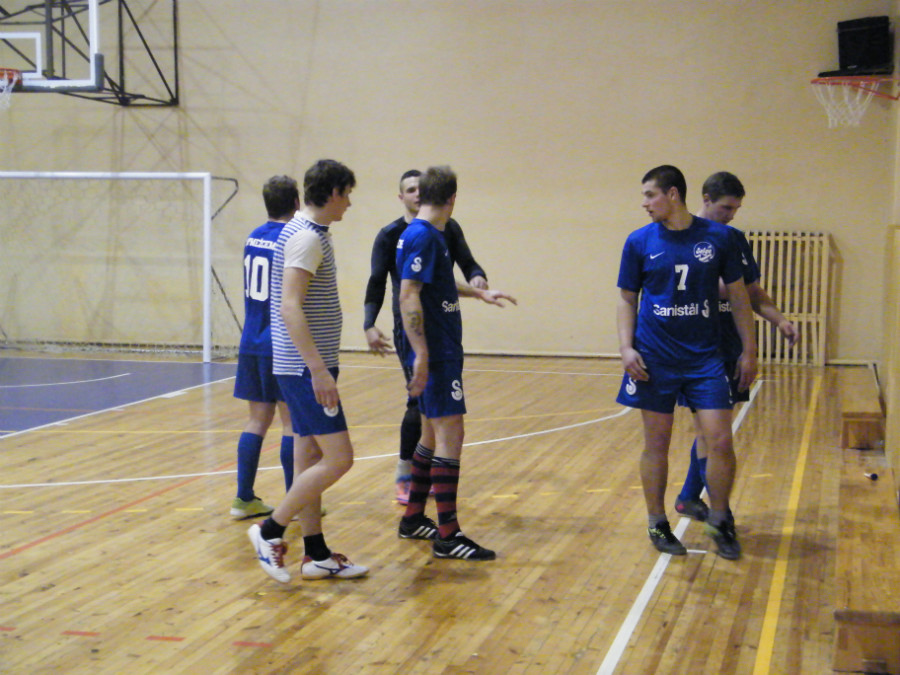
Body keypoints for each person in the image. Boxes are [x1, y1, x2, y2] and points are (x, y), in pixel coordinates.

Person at [616, 165, 757, 560]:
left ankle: (720, 519)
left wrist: (749, 350)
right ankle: (656, 522)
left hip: (705, 358)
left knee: (720, 439)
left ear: (673, 194)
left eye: (650, 195)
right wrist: (626, 348)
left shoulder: (719, 238)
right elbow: (627, 298)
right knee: (656, 443)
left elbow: (740, 297)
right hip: (654, 358)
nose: (645, 203)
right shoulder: (638, 241)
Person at [247, 159, 368, 583]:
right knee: (340, 458)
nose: (349, 203)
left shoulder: (308, 232)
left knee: (309, 458)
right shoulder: (306, 238)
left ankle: (315, 555)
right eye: (347, 194)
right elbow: (290, 306)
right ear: (332, 192)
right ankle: (270, 531)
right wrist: (318, 370)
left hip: (302, 365)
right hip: (303, 368)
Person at [395, 165, 516, 561]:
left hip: (440, 348)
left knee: (430, 434)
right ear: (451, 198)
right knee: (452, 433)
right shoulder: (424, 236)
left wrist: (478, 293)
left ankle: (414, 517)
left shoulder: (428, 234)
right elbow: (408, 294)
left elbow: (437, 285)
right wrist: (422, 353)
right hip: (436, 351)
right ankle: (448, 535)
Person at [673, 172, 799, 521]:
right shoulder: (682, 236)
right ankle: (718, 512)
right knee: (713, 432)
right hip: (696, 348)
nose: (731, 215)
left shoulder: (734, 239)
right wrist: (733, 287)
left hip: (729, 345)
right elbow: (699, 288)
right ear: (706, 199)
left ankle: (688, 498)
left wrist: (780, 320)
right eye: (726, 208)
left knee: (711, 431)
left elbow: (751, 292)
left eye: (736, 209)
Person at [363, 169, 488, 505]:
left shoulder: (442, 230)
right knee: (430, 416)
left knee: (431, 423)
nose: (417, 194)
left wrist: (478, 287)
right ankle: (423, 499)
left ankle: (415, 514)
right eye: (410, 189)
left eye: (421, 188)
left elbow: (457, 271)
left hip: (438, 336)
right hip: (421, 336)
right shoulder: (409, 235)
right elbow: (398, 290)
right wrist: (372, 324)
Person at [230, 175, 299, 520]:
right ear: (297, 202)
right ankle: (295, 502)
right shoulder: (292, 239)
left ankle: (243, 499)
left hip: (251, 340)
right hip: (281, 343)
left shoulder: (253, 236)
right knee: (291, 424)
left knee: (257, 420)